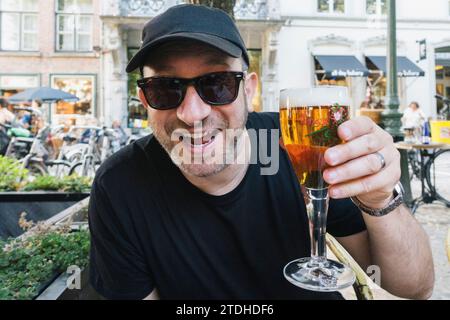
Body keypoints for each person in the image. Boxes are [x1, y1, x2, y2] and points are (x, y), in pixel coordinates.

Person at [88, 4, 434, 300]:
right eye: (165, 88)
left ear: (248, 90)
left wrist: (380, 201)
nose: (192, 113)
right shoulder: (120, 186)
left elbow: (413, 288)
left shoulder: (302, 144)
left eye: (217, 84)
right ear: (144, 99)